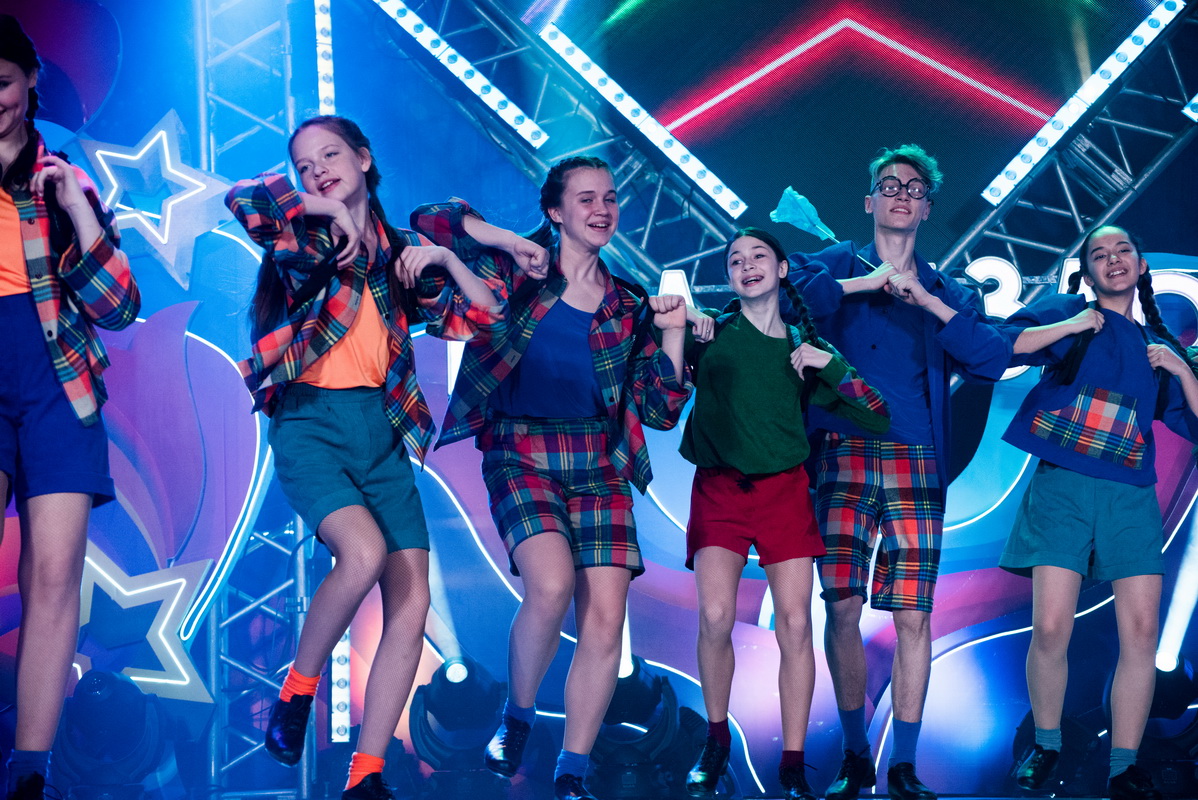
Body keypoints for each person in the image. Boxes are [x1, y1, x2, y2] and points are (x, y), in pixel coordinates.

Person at [226, 115, 504, 800]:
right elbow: (244, 197)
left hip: (382, 435)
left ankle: (367, 773)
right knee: (362, 554)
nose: (317, 170)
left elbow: (485, 316)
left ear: (365, 157)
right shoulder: (303, 235)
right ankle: (298, 689)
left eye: (330, 156)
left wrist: (447, 261)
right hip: (310, 425)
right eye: (304, 165)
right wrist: (323, 211)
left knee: (412, 599)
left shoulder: (401, 250)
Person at [411, 155, 691, 800]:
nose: (602, 209)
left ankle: (572, 770)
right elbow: (431, 220)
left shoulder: (629, 304)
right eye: (585, 198)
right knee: (552, 584)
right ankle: (518, 716)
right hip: (520, 449)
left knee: (607, 618)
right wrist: (509, 241)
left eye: (609, 198)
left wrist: (674, 335)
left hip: (598, 462)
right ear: (555, 211)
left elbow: (659, 410)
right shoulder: (517, 271)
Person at [788, 144, 1010, 800]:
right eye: (890, 185)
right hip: (844, 451)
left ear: (927, 208)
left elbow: (990, 359)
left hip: (916, 460)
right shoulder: (836, 263)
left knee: (913, 613)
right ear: (869, 201)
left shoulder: (948, 290)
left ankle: (904, 765)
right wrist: (863, 284)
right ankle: (857, 754)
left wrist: (928, 302)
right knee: (842, 606)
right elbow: (790, 298)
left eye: (914, 188)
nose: (901, 195)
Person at [680, 228, 889, 800]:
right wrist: (682, 326)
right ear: (728, 277)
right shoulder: (713, 332)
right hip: (720, 490)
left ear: (781, 270)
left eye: (758, 257)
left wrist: (830, 364)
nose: (747, 265)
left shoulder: (803, 348)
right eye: (735, 260)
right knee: (715, 617)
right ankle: (715, 740)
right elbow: (655, 353)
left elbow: (876, 414)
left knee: (796, 625)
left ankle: (793, 766)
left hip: (784, 493)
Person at [1000, 225, 1198, 800]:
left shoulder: (1159, 346)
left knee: (1141, 634)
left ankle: (1124, 768)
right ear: (1086, 273)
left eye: (1123, 251)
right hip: (1063, 487)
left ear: (1141, 265)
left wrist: (1183, 370)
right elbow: (1006, 345)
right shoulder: (1070, 315)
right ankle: (1047, 743)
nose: (1113, 260)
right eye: (1099, 254)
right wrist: (1070, 325)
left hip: (1129, 495)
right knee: (1050, 626)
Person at [0, 15, 140, 800]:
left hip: (58, 383)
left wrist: (81, 209)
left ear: (30, 84)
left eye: (2, 83)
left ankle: (30, 770)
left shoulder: (63, 180)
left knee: (53, 577)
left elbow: (119, 307)